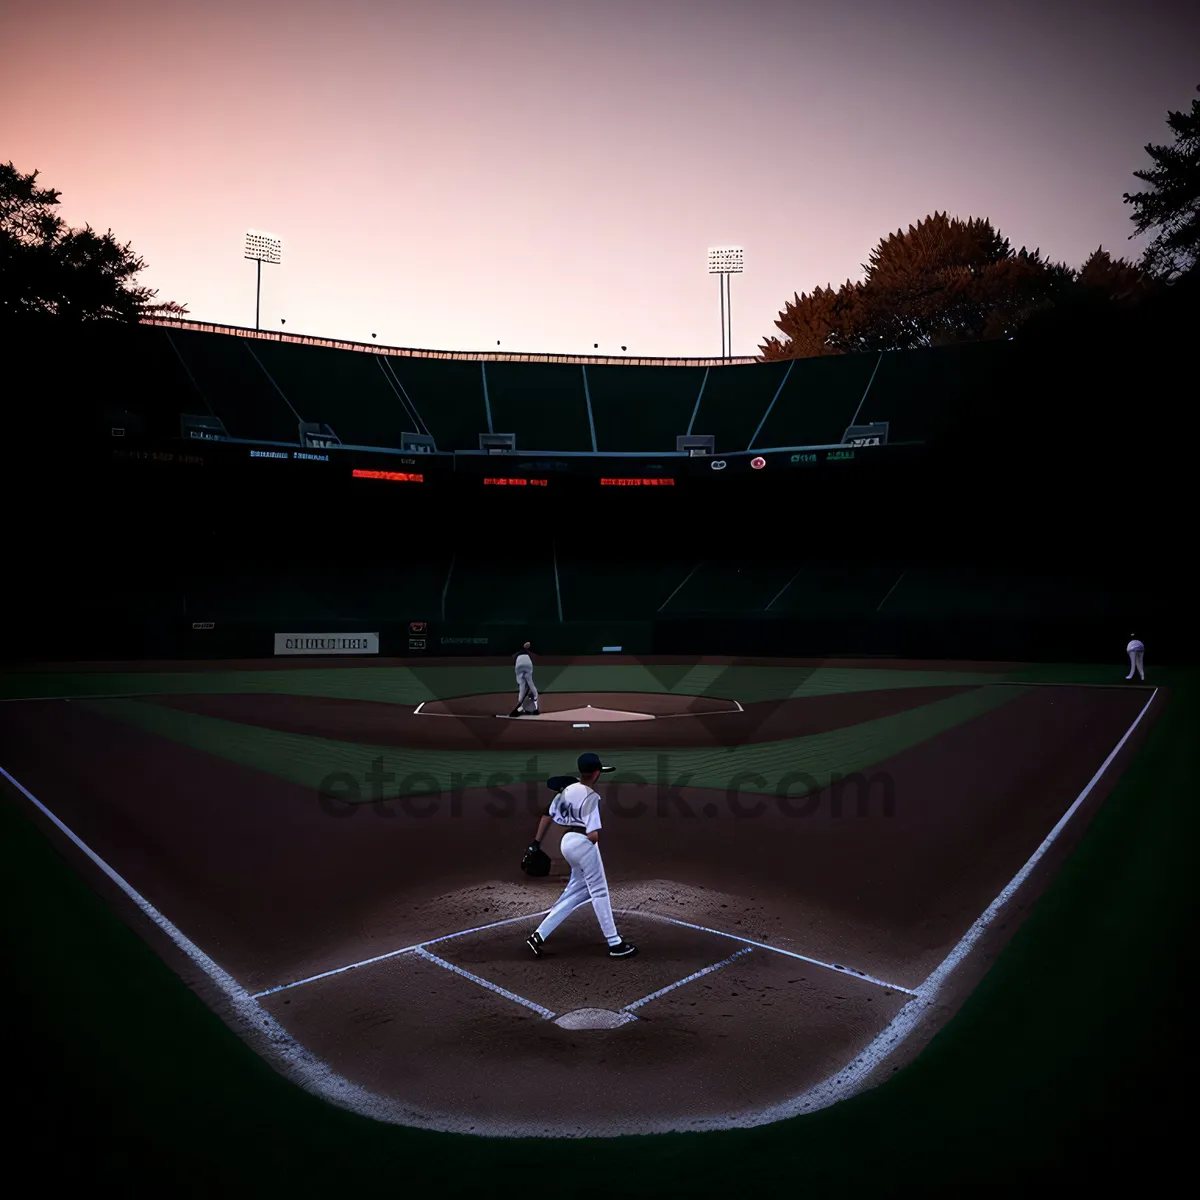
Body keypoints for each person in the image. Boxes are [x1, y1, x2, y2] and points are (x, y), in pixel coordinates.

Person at [524, 752, 637, 959]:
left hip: (566, 842)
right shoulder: (591, 797)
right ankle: (615, 943)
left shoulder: (565, 791)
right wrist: (590, 853)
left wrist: (536, 842)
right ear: (596, 773)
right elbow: (593, 835)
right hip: (583, 845)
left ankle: (538, 936)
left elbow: (548, 813)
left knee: (578, 891)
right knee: (599, 891)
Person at [510, 641, 539, 717]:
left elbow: (513, 659)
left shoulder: (516, 654)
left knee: (521, 685)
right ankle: (536, 707)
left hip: (519, 665)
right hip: (528, 664)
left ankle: (520, 708)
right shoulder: (528, 653)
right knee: (530, 682)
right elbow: (535, 658)